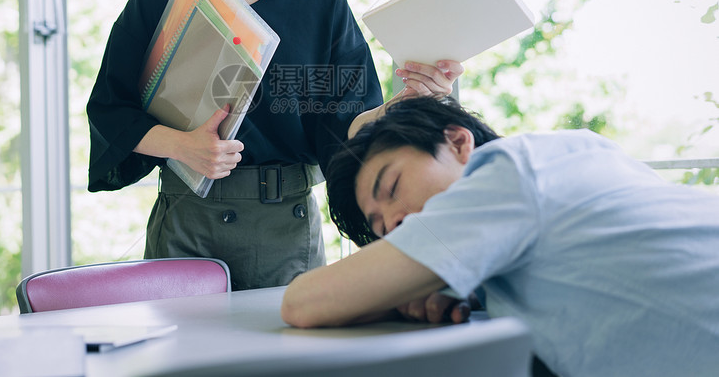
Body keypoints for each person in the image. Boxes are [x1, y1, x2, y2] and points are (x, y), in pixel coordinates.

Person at [86, 0, 462, 290]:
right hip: (184, 223)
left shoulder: (323, 2)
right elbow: (109, 109)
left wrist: (406, 106)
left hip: (285, 230)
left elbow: (347, 124)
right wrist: (182, 146)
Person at [281, 96, 719, 377]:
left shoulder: (506, 174)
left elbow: (302, 303)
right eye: (381, 228)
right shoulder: (578, 153)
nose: (395, 223)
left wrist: (392, 289)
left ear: (457, 142)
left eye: (392, 187)